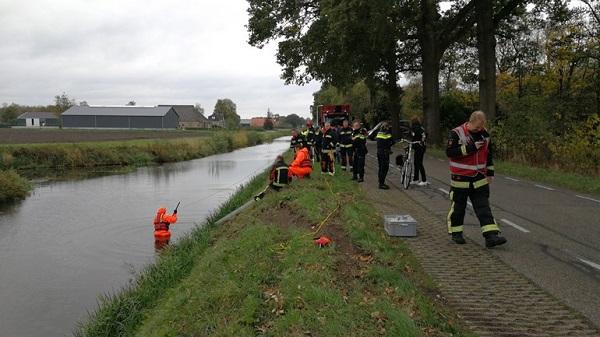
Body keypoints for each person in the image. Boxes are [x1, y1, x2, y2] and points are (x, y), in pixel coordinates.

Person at [446, 111, 507, 248]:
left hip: (480, 177)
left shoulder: (484, 134)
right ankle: (457, 233)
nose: (479, 130)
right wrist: (470, 148)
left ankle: (491, 236)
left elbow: (488, 154)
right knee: (458, 208)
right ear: (470, 122)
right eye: (476, 128)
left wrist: (490, 172)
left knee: (483, 207)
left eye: (481, 127)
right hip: (461, 178)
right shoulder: (456, 133)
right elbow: (450, 153)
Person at [410, 117, 429, 186]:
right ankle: (416, 179)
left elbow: (422, 135)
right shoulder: (421, 127)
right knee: (416, 163)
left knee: (419, 163)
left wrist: (421, 141)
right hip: (421, 147)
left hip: (419, 147)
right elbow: (425, 134)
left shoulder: (415, 128)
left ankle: (424, 180)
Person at [375, 122, 394, 189]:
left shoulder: (379, 133)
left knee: (380, 167)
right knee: (384, 168)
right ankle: (381, 184)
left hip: (379, 152)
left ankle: (380, 181)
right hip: (385, 153)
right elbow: (392, 142)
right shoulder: (387, 133)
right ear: (387, 127)